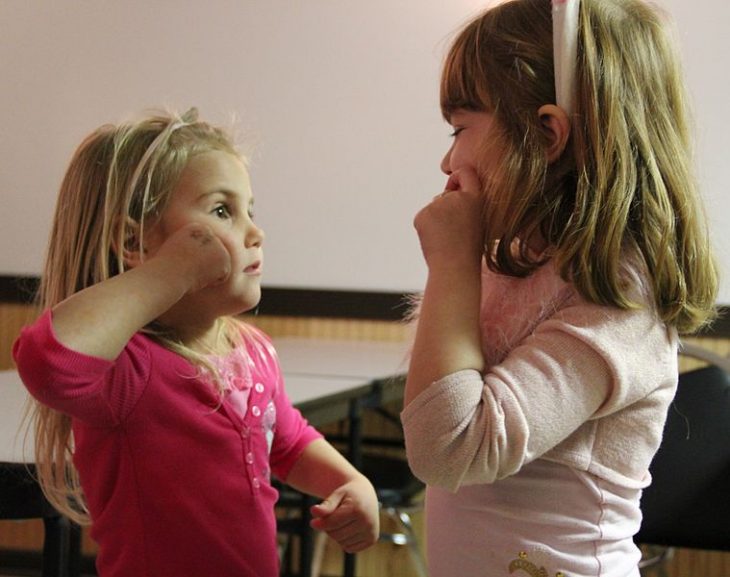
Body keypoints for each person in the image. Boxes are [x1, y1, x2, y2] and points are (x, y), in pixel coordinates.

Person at [401, 0, 718, 575]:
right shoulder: (515, 262)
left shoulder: (620, 298)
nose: (448, 157)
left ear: (546, 134)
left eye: (460, 127)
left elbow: (448, 448)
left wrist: (450, 262)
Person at [13, 108, 379, 577]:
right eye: (222, 210)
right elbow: (48, 362)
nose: (254, 231)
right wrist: (168, 271)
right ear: (134, 241)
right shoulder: (129, 373)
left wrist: (350, 480)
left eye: (251, 209)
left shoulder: (253, 350)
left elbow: (286, 441)